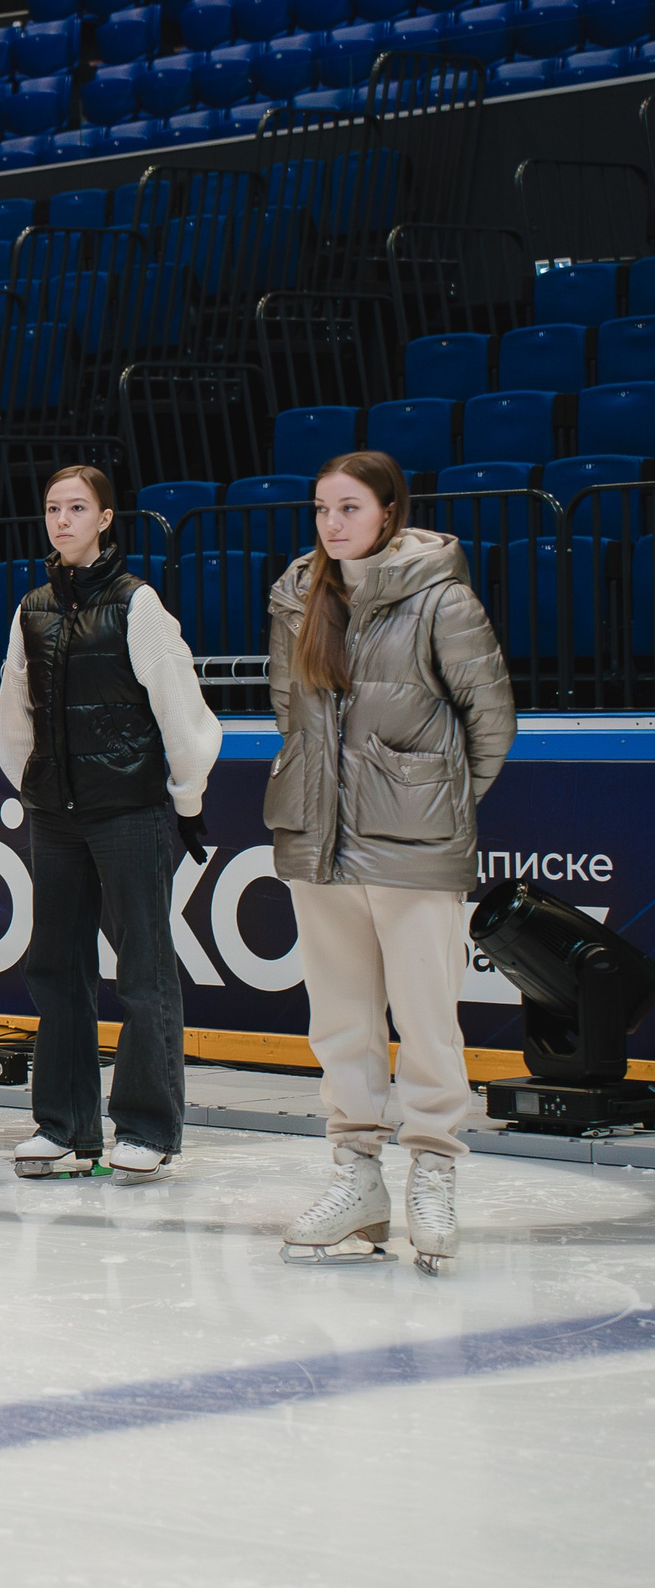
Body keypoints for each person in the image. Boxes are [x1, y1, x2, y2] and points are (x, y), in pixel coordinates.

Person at [269, 451, 514, 1273]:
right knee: (340, 1022)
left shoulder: (441, 598)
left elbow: (491, 719)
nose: (331, 524)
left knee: (426, 1019)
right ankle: (357, 1177)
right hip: (318, 841)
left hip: (414, 848)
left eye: (348, 507)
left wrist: (434, 798)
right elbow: (289, 713)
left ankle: (435, 1168)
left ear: (388, 513)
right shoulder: (296, 596)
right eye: (321, 509)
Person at [0, 465, 223, 1183]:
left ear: (106, 517)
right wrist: (35, 787)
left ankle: (148, 1126)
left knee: (145, 970)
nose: (62, 520)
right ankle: (63, 1125)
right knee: (54, 968)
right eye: (52, 508)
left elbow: (181, 714)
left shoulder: (138, 605)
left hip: (129, 811)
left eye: (76, 508)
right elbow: (14, 714)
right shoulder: (31, 607)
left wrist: (185, 802)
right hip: (55, 816)